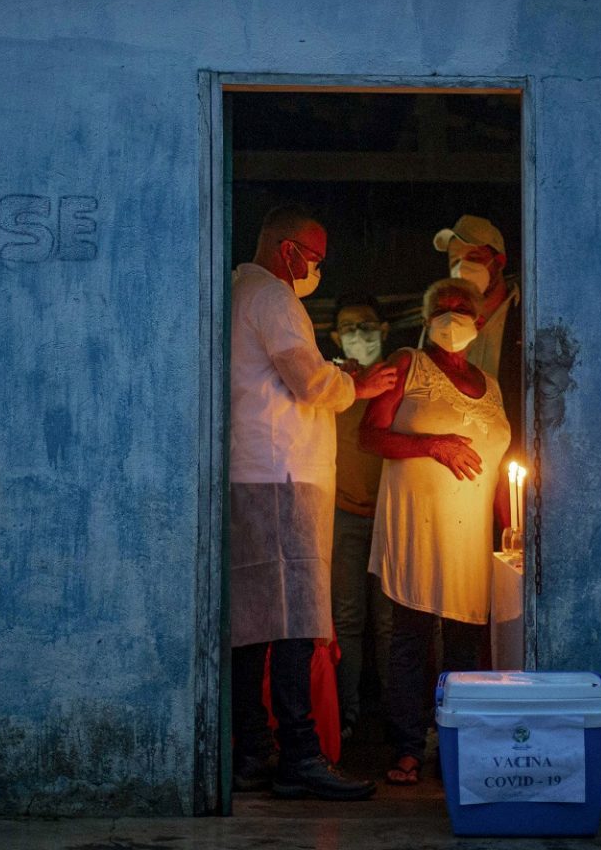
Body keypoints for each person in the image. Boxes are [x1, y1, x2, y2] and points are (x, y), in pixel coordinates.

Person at [228, 205, 397, 801]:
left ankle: (251, 750)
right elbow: (309, 381)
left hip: (251, 473)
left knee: (250, 623)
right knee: (297, 619)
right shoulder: (275, 297)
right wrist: (360, 384)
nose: (317, 270)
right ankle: (300, 755)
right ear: (289, 251)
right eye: (316, 259)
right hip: (284, 476)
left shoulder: (236, 291)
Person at [360, 278, 512, 785]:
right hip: (418, 525)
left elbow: (495, 466)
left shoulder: (492, 385)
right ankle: (406, 746)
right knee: (411, 635)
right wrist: (433, 445)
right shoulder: (409, 364)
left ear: (480, 320)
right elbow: (370, 434)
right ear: (426, 322)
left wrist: (509, 527)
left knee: (466, 642)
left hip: (471, 534)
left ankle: (458, 746)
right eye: (439, 309)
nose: (450, 316)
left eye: (461, 307)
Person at [327, 293, 394, 740]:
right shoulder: (330, 382)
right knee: (347, 619)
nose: (359, 335)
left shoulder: (401, 378)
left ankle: (398, 716)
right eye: (349, 328)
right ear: (334, 337)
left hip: (393, 516)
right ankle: (345, 716)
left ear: (384, 331)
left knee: (391, 623)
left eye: (367, 325)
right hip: (343, 513)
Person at [433, 214, 522, 471]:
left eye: (473, 259)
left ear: (499, 261)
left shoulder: (527, 316)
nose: (462, 269)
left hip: (511, 463)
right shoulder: (442, 322)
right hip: (457, 464)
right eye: (455, 261)